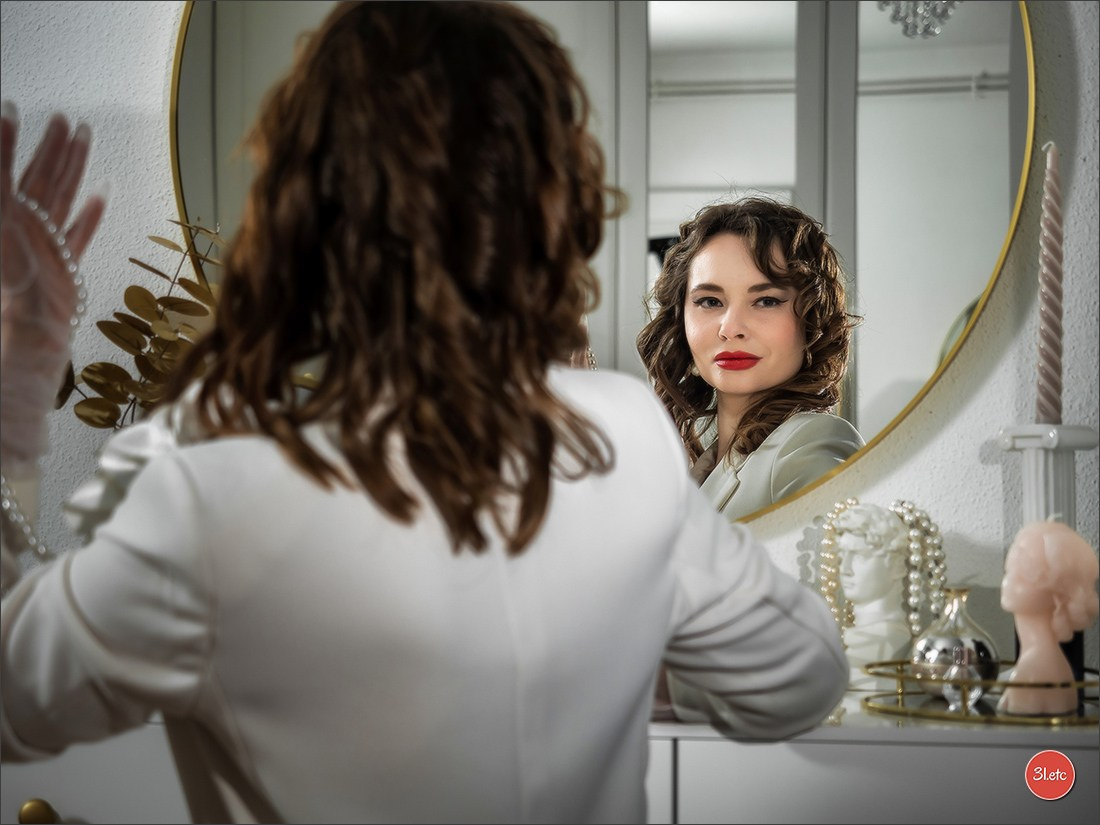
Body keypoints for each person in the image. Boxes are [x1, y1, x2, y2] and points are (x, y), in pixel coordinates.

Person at [0, 3, 848, 823]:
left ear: (300, 211)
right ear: (550, 207)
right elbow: (800, 678)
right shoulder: (626, 433)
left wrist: (13, 401)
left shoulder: (214, 490)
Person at [637, 198, 864, 522]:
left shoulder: (812, 442)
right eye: (710, 301)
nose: (730, 329)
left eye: (766, 300)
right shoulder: (707, 465)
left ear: (812, 321)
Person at [997, 521, 1099, 716]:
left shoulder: (1034, 671)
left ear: (1059, 593)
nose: (1007, 581)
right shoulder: (1043, 661)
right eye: (1009, 570)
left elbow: (1024, 735)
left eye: (1023, 574)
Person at [831, 503, 911, 688]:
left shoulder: (888, 639)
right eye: (842, 556)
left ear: (896, 565)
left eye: (859, 556)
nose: (845, 569)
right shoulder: (859, 638)